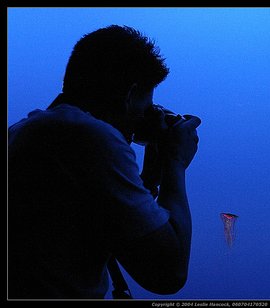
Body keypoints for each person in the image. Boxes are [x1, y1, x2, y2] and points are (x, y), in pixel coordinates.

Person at [8, 25, 201, 299]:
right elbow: (168, 273)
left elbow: (108, 227)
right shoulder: (89, 137)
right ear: (130, 94)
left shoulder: (25, 131)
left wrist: (149, 180)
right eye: (146, 107)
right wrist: (175, 161)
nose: (145, 118)